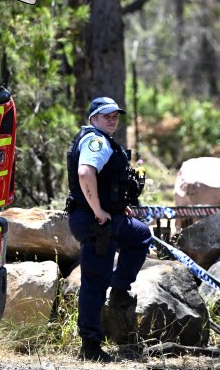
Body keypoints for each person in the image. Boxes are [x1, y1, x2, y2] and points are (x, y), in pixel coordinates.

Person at [65, 96, 151, 362]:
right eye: (106, 115)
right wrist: (99, 210)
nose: (112, 119)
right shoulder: (96, 141)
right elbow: (85, 173)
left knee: (140, 235)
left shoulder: (102, 139)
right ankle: (90, 347)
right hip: (95, 222)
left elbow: (104, 180)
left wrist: (113, 208)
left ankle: (120, 284)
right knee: (94, 283)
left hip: (107, 219)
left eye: (115, 116)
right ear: (94, 119)